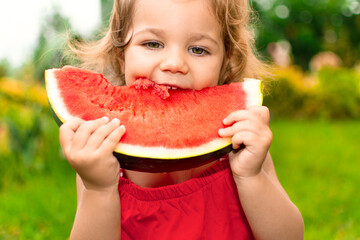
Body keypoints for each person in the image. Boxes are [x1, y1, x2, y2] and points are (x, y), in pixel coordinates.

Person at [60, 0, 304, 239]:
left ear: (226, 60)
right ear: (121, 53)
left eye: (198, 49)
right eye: (153, 43)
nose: (175, 64)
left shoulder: (239, 147)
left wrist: (251, 176)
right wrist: (99, 190)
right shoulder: (102, 156)